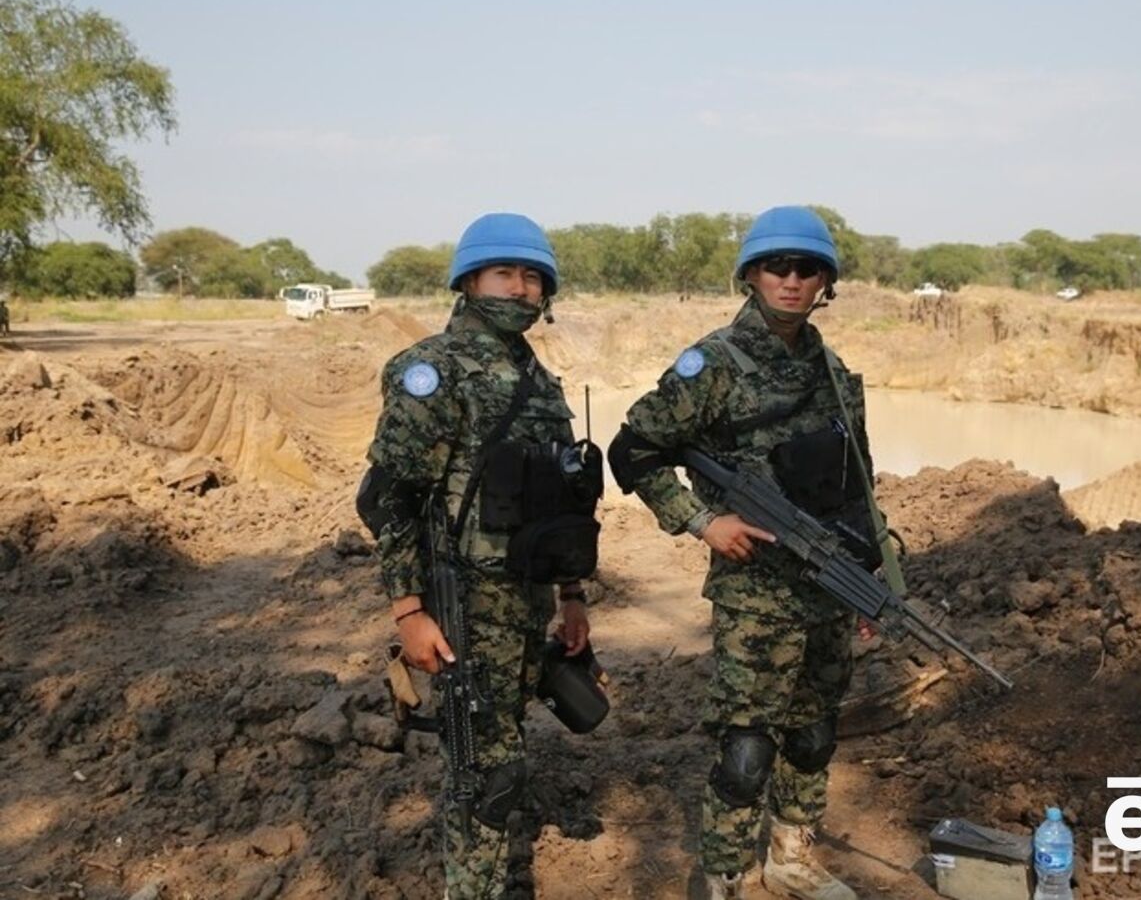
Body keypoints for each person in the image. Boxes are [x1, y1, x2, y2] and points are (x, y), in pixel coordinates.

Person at [609, 206, 876, 900]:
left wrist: (874, 580)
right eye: (777, 266)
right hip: (756, 592)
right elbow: (633, 450)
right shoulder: (712, 365)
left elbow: (860, 487)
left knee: (814, 733)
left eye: (807, 268)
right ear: (751, 275)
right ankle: (726, 873)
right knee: (747, 745)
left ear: (826, 281)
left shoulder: (835, 372)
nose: (792, 280)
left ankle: (791, 855)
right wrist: (702, 521)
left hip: (828, 585)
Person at [360, 212, 598, 899]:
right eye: (506, 273)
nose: (520, 290)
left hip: (524, 604)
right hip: (461, 605)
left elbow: (561, 505)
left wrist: (572, 595)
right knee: (482, 772)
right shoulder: (430, 371)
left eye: (532, 278)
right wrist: (409, 611)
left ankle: (490, 877)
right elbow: (389, 500)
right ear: (468, 280)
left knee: (505, 752)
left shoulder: (542, 381)